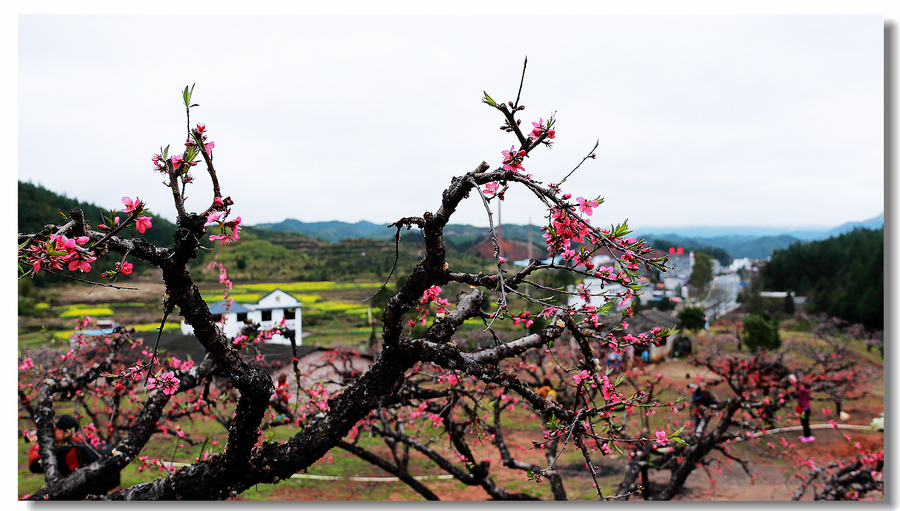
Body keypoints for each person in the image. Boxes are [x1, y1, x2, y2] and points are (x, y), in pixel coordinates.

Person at [26, 414, 120, 498]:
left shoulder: (66, 450)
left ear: (61, 431)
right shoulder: (88, 441)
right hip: (99, 490)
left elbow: (34, 466)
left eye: (56, 429)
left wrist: (35, 445)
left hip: (77, 495)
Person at [789, 374, 814, 442]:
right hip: (802, 409)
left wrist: (795, 380)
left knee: (805, 422)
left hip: (805, 410)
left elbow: (800, 387)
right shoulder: (803, 391)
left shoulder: (806, 391)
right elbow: (798, 388)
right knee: (803, 422)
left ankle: (807, 436)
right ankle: (806, 435)